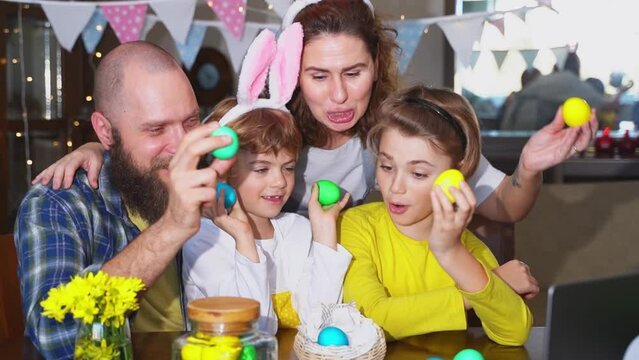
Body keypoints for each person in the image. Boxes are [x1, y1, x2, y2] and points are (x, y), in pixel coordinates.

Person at [33, 0, 597, 223]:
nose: (340, 97)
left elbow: (505, 209)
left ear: (377, 62)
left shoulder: (403, 131)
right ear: (288, 71)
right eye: (319, 77)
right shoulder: (257, 128)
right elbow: (162, 150)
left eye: (354, 73)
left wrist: (529, 164)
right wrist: (95, 148)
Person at [14, 42, 235, 359]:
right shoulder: (58, 203)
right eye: (156, 129)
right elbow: (58, 338)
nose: (181, 145)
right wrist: (172, 227)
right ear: (105, 131)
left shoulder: (217, 175)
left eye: (190, 122)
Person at [182, 24, 352, 335]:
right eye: (261, 169)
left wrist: (325, 232)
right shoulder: (204, 239)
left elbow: (320, 321)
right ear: (226, 170)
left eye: (288, 168)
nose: (279, 183)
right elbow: (251, 331)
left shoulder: (298, 230)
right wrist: (245, 239)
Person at [339, 85, 533, 344]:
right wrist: (475, 291)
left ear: (456, 172)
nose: (395, 187)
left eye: (418, 173)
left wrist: (450, 253)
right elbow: (368, 321)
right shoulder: (356, 226)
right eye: (386, 166)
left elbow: (514, 332)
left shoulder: (467, 251)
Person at [501, 52, 605, 130]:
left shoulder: (547, 79)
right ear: (576, 66)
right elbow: (602, 103)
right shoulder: (568, 79)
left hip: (511, 118)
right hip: (528, 120)